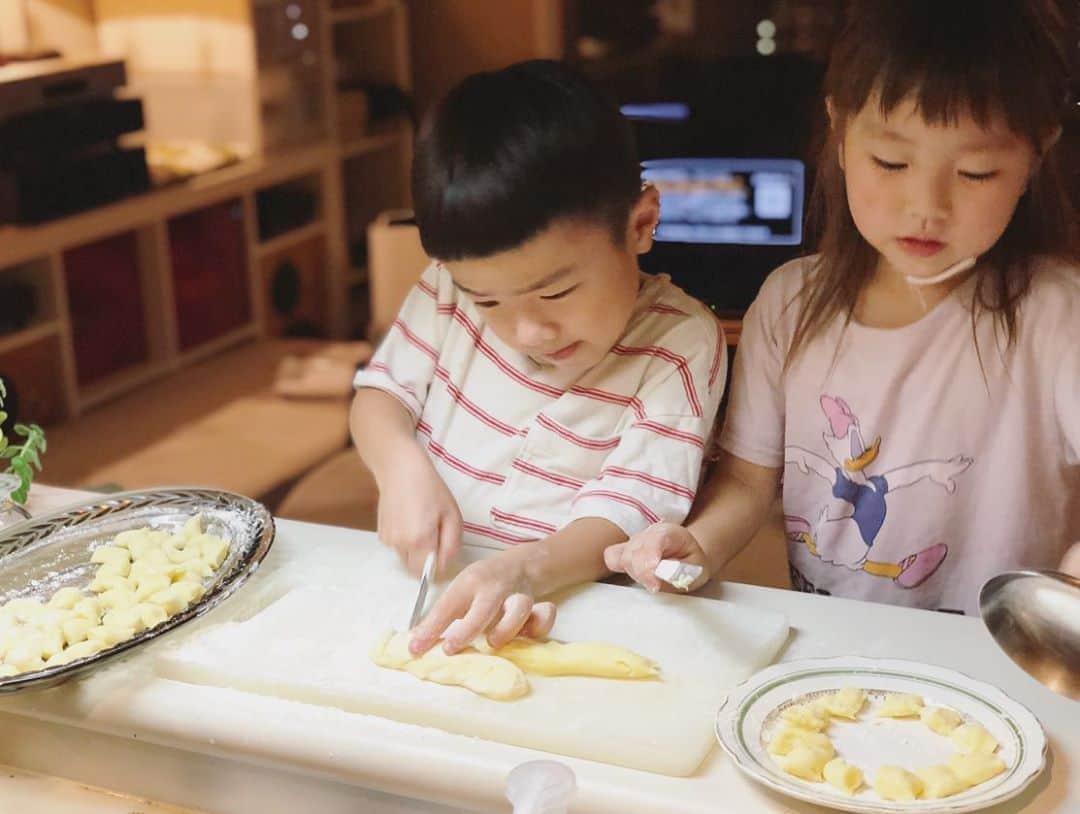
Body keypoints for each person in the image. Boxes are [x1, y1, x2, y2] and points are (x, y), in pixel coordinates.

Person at [605, 0, 1080, 615]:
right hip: (837, 649)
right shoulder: (790, 303)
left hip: (996, 666)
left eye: (976, 172)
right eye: (892, 161)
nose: (925, 205)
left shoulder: (1059, 317)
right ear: (840, 129)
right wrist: (696, 545)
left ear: (1036, 155)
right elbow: (750, 482)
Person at [351, 60, 726, 652]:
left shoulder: (682, 342)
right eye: (490, 300)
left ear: (641, 223)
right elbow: (379, 398)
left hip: (574, 610)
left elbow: (628, 510)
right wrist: (400, 468)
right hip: (435, 593)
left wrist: (524, 569)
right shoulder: (448, 287)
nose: (527, 330)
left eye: (555, 292)